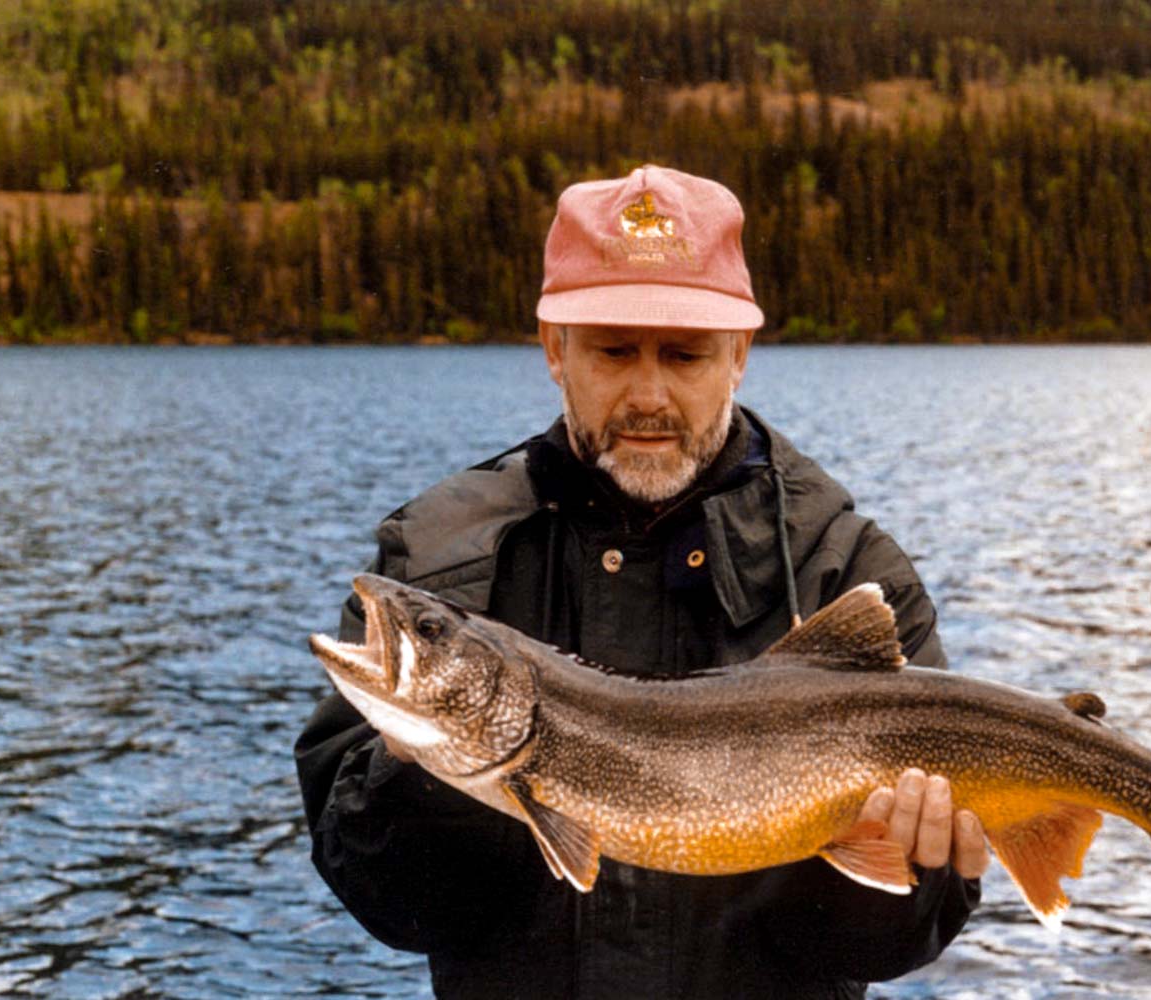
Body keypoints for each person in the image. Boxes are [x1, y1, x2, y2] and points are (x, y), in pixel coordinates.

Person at [295, 164, 988, 999]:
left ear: (739, 357)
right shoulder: (439, 557)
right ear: (555, 350)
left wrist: (895, 872)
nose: (649, 395)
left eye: (685, 354)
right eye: (615, 351)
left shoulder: (840, 570)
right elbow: (385, 901)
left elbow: (886, 945)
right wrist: (427, 763)